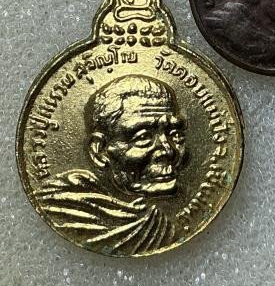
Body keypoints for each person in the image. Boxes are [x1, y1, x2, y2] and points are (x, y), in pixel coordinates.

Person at [35, 75, 188, 255]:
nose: (169, 151)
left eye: (175, 135)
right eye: (143, 137)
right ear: (99, 152)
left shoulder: (161, 224)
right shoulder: (62, 207)